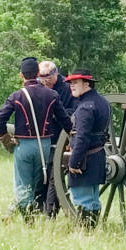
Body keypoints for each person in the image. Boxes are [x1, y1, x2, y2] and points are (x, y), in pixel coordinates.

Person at [0, 57, 72, 222]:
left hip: (23, 145)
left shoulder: (17, 95)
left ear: (21, 75)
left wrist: (6, 140)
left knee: (23, 184)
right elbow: (66, 121)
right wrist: (71, 141)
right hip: (44, 145)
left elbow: (0, 120)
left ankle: (29, 223)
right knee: (38, 185)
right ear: (37, 73)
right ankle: (34, 215)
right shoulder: (52, 94)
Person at [65, 68, 110, 228]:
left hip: (85, 159)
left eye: (75, 82)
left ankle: (85, 232)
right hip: (97, 156)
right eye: (70, 83)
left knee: (81, 198)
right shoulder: (102, 102)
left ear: (87, 83)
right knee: (92, 199)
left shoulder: (85, 107)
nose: (72, 86)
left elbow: (82, 138)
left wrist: (73, 163)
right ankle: (90, 231)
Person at [36, 60, 76, 218]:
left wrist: (56, 113)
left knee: (55, 175)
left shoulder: (67, 88)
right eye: (41, 76)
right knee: (43, 174)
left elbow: (74, 110)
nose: (43, 80)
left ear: (55, 74)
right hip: (45, 136)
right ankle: (39, 208)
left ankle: (50, 212)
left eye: (46, 76)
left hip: (62, 135)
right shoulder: (39, 88)